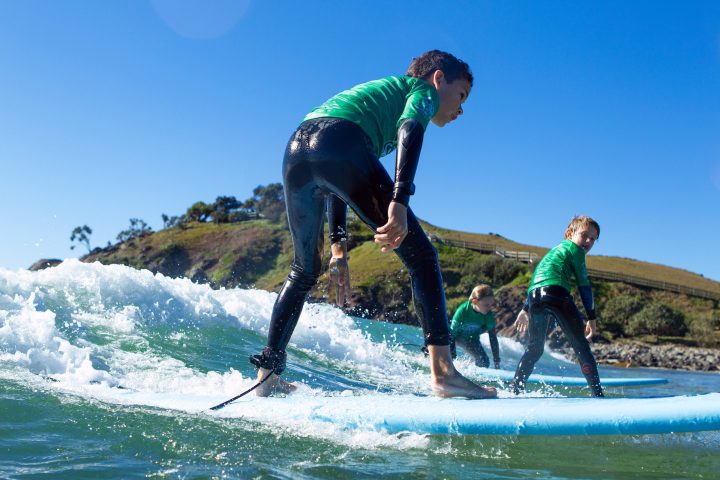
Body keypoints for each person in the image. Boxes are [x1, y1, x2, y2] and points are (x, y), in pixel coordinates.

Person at [249, 50, 497, 399]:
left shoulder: (377, 100)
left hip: (297, 147)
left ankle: (267, 375)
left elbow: (333, 182)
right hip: (338, 141)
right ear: (439, 78)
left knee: (303, 270)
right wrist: (400, 199)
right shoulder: (422, 90)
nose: (461, 109)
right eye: (461, 96)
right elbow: (409, 128)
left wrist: (338, 249)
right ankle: (444, 375)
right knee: (423, 257)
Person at [511, 215, 604, 397]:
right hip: (557, 295)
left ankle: (515, 390)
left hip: (535, 298)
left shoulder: (552, 252)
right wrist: (591, 317)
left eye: (593, 239)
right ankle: (598, 395)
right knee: (581, 348)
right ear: (570, 233)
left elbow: (537, 281)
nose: (588, 241)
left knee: (535, 349)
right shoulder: (575, 250)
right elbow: (584, 286)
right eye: (584, 235)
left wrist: (525, 308)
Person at [450, 285, 501, 369]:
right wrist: (452, 358)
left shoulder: (488, 315)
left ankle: (474, 376)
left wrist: (496, 359)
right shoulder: (462, 311)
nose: (489, 308)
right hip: (456, 336)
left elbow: (493, 337)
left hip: (472, 339)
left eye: (491, 305)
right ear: (474, 302)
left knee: (484, 362)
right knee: (450, 356)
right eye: (486, 305)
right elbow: (451, 336)